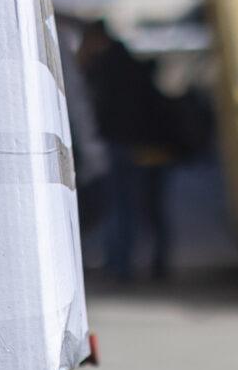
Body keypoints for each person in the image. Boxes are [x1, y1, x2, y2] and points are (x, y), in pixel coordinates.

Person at [77, 18, 185, 283]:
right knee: (150, 208)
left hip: (124, 146)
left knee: (122, 208)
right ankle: (159, 264)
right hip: (150, 147)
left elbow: (99, 108)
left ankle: (121, 266)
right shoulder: (131, 66)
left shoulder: (105, 68)